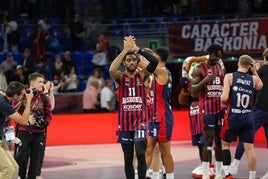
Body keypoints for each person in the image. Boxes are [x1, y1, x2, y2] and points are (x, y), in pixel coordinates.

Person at [109, 35, 158, 179]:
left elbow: (154, 61)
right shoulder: (120, 77)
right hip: (124, 124)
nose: (131, 62)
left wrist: (137, 49)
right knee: (128, 157)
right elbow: (112, 70)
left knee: (141, 152)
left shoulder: (142, 75)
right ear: (124, 63)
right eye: (128, 60)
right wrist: (125, 51)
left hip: (140, 123)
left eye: (133, 60)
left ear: (137, 63)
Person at [220, 54, 263, 179]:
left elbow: (224, 99)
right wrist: (254, 71)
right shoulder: (253, 79)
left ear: (238, 63)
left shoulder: (229, 77)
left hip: (234, 116)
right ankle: (252, 177)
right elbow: (260, 86)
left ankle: (227, 174)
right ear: (249, 66)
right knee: (249, 149)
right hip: (248, 116)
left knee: (225, 145)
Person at [229, 48, 268, 179]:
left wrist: (254, 69)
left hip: (260, 109)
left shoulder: (261, 71)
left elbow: (259, 83)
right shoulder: (262, 68)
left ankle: (235, 164)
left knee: (246, 137)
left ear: (264, 57)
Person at [191, 44, 225, 179]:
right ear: (210, 53)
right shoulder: (199, 69)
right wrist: (204, 81)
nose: (218, 59)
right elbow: (193, 91)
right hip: (207, 109)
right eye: (216, 56)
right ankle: (205, 173)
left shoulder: (221, 68)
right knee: (209, 140)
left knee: (219, 140)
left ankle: (219, 173)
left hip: (219, 108)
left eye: (220, 56)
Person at [141, 47, 175, 179]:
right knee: (149, 148)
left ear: (158, 58)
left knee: (165, 151)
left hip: (163, 117)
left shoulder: (162, 72)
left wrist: (135, 50)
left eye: (153, 57)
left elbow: (141, 63)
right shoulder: (156, 75)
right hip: (154, 117)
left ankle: (170, 177)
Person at [15, 72, 52, 179]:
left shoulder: (44, 97)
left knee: (35, 161)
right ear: (32, 82)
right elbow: (14, 112)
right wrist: (26, 120)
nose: (42, 84)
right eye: (39, 82)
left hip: (39, 133)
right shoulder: (22, 94)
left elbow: (49, 113)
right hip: (24, 131)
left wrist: (44, 123)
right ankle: (21, 177)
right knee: (21, 158)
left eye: (43, 82)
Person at [0, 81, 33, 179]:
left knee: (14, 168)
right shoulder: (3, 103)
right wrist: (28, 102)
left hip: (1, 140)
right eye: (22, 94)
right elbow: (23, 121)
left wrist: (20, 103)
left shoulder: (3, 99)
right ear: (15, 96)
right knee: (8, 170)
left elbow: (9, 112)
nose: (24, 96)